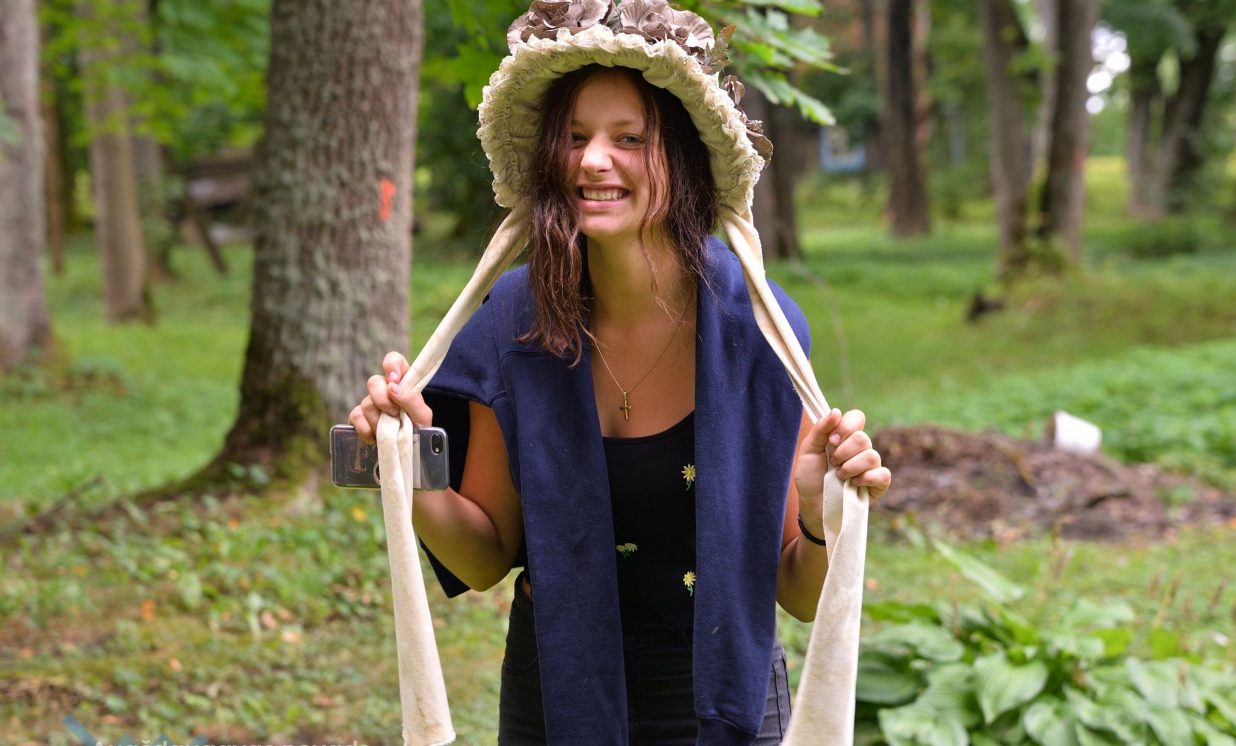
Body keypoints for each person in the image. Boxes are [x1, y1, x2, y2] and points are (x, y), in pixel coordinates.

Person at [350, 2, 890, 744]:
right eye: (575, 138)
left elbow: (798, 595)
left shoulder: (756, 328)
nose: (591, 161)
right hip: (556, 694)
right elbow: (482, 559)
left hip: (721, 699)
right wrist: (409, 470)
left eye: (628, 139)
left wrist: (818, 511)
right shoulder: (516, 321)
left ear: (683, 158)